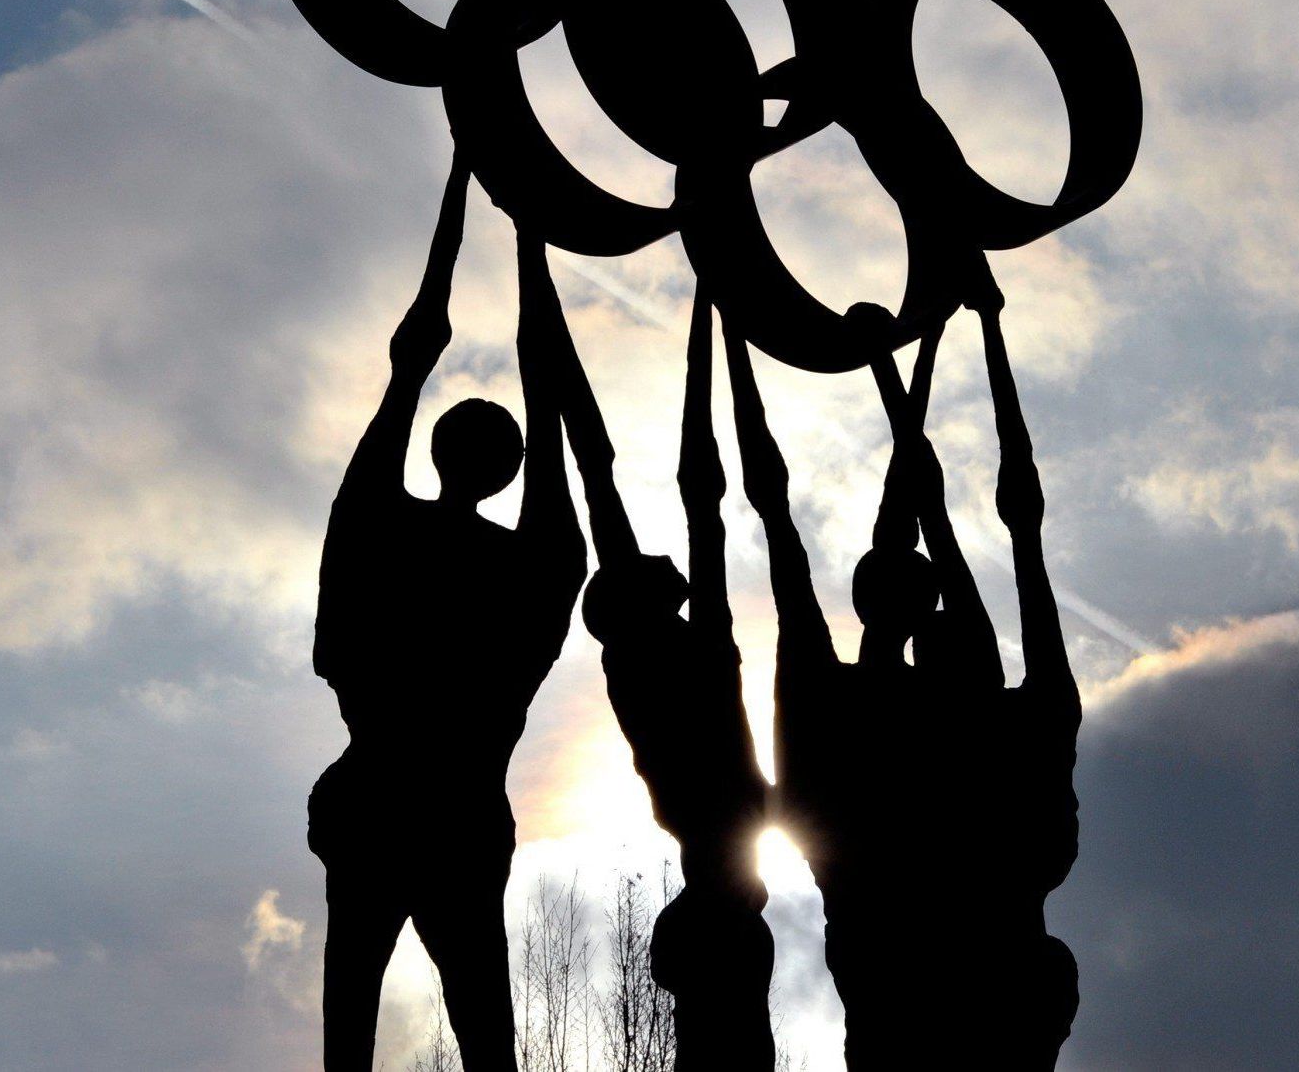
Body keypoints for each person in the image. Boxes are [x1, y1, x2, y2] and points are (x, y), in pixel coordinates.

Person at [727, 281, 1081, 1071]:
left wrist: (905, 373)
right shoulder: (1013, 732)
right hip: (964, 995)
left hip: (910, 996)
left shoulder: (942, 732)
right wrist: (917, 368)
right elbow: (1005, 538)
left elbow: (794, 534)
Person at [307, 145, 589, 1072]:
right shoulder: (526, 566)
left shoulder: (385, 529)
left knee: (360, 1013)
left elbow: (411, 358)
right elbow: (541, 394)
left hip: (397, 800)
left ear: (441, 453)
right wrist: (526, 234)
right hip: (452, 810)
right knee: (481, 1031)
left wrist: (469, 185)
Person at [564, 287, 776, 1070]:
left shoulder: (675, 651)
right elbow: (680, 496)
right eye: (649, 570)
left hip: (722, 856)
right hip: (718, 849)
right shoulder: (651, 655)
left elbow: (701, 508)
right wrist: (704, 316)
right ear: (632, 600)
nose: (667, 561)